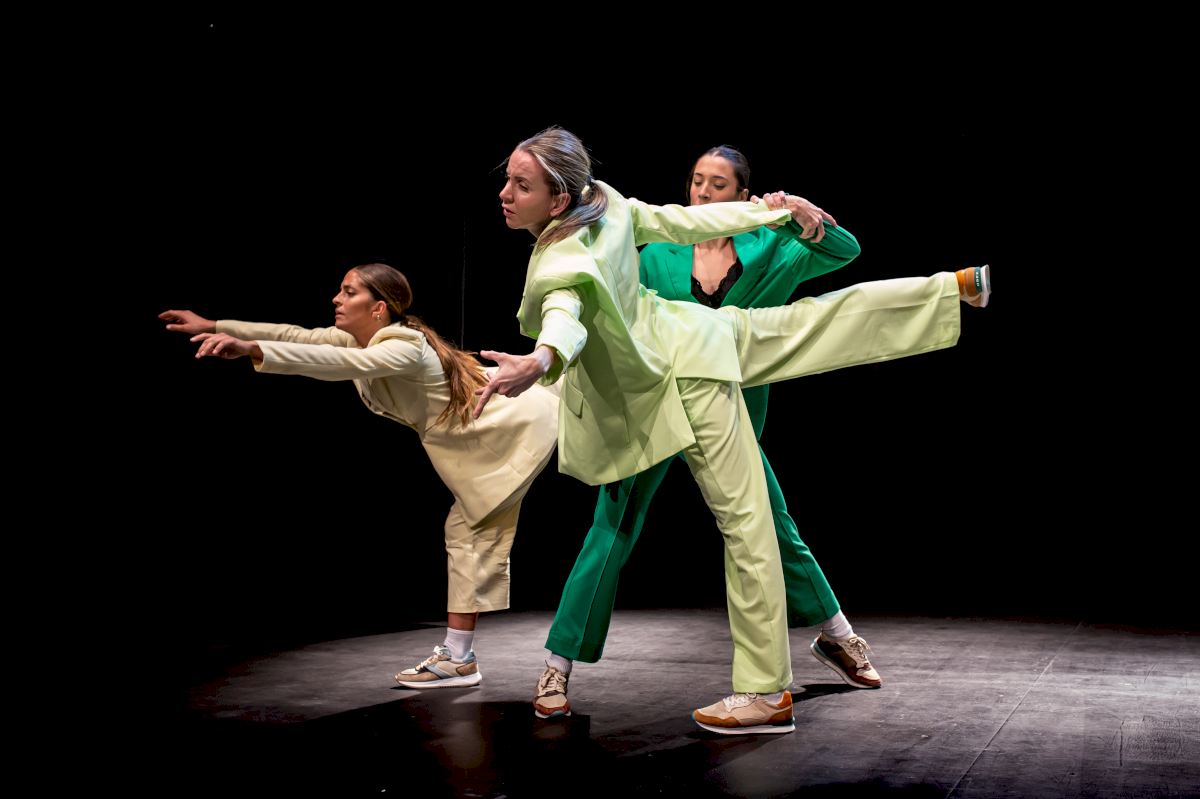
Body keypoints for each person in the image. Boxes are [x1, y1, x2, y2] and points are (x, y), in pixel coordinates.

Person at [475, 126, 989, 734]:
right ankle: (948, 289)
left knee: (752, 521)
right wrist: (546, 356)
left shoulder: (568, 250)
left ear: (560, 198)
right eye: (509, 181)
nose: (504, 193)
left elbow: (568, 311)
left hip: (680, 380)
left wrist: (540, 361)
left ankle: (769, 690)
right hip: (700, 340)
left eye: (520, 184)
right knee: (812, 327)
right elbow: (667, 233)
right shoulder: (605, 202)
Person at [537, 144, 890, 719]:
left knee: (772, 523)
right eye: (697, 180)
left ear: (742, 196)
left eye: (718, 184)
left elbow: (844, 250)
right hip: (655, 407)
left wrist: (794, 212)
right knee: (612, 526)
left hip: (729, 412)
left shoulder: (769, 246)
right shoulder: (657, 254)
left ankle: (836, 634)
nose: (702, 192)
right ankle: (558, 665)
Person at [160, 263, 560, 690]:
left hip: (508, 431)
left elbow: (343, 362)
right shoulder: (365, 338)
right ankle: (459, 658)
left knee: (469, 534)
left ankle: (460, 659)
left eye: (349, 292)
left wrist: (252, 350)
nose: (336, 299)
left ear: (378, 308)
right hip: (481, 442)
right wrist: (213, 325)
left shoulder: (405, 345)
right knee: (467, 534)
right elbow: (297, 335)